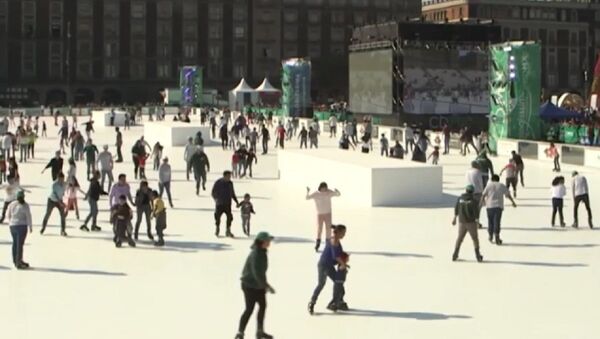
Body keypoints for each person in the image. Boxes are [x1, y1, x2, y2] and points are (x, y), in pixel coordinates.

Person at [235, 232, 276, 339]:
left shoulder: (262, 252)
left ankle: (260, 331)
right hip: (249, 285)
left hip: (258, 285)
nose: (269, 242)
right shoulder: (256, 254)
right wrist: (266, 286)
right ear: (262, 242)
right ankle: (240, 333)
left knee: (262, 306)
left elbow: (261, 272)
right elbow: (256, 272)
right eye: (268, 241)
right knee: (249, 309)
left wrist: (264, 285)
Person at [308, 224, 347, 314]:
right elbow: (335, 256)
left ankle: (338, 301)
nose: (344, 235)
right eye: (343, 233)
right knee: (322, 284)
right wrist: (343, 264)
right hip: (323, 266)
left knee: (338, 283)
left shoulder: (336, 239)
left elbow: (339, 253)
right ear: (339, 233)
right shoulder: (334, 241)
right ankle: (312, 302)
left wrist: (344, 259)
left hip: (329, 266)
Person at [480, 174, 516, 245]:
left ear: (492, 179)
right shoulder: (501, 185)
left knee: (490, 222)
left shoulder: (489, 185)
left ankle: (490, 235)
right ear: (498, 179)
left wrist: (481, 203)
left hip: (489, 206)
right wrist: (513, 202)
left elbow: (483, 195)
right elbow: (507, 195)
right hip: (498, 207)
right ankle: (497, 237)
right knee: (497, 222)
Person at [451, 185, 483, 262]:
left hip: (462, 222)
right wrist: (478, 222)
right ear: (472, 192)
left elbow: (456, 208)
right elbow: (476, 212)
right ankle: (478, 256)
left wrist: (454, 218)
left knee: (459, 238)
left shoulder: (460, 199)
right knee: (475, 239)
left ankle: (455, 254)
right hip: (471, 222)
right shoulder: (473, 201)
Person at [306, 183, 341, 252]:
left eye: (325, 188)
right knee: (319, 229)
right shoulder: (316, 194)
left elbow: (338, 195)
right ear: (320, 187)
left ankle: (328, 244)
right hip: (320, 214)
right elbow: (307, 198)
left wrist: (337, 191)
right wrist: (308, 192)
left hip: (328, 213)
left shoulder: (329, 192)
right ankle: (318, 242)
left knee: (328, 229)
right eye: (323, 188)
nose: (324, 189)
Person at [7, 190, 32, 269]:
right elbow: (28, 216)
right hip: (21, 226)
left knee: (15, 243)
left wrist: (10, 222)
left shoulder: (12, 204)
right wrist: (30, 226)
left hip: (13, 226)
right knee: (19, 244)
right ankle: (18, 262)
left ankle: (16, 260)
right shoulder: (25, 205)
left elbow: (8, 214)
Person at [211, 171, 239, 238]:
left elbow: (232, 193)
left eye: (230, 176)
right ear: (224, 176)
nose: (229, 178)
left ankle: (228, 231)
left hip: (227, 203)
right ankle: (217, 229)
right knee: (217, 217)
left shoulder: (230, 183)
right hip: (219, 204)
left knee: (229, 217)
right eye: (228, 176)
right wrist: (216, 199)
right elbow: (213, 192)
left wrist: (236, 201)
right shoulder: (218, 182)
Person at [41, 172, 67, 236]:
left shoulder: (64, 184)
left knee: (63, 216)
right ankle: (43, 228)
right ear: (58, 178)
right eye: (60, 179)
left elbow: (63, 192)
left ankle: (63, 230)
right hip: (52, 200)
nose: (61, 181)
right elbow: (55, 195)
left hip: (60, 200)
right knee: (48, 214)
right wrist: (61, 203)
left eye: (62, 179)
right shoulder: (54, 184)